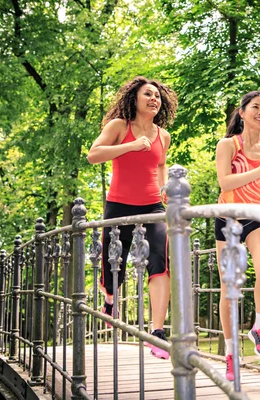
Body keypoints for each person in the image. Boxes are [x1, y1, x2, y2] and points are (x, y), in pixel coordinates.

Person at [87, 76, 177, 360]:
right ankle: (110, 300)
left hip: (152, 207)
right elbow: (94, 155)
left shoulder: (163, 135)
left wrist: (164, 188)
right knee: (115, 267)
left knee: (160, 261)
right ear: (134, 100)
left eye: (158, 96)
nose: (154, 99)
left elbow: (161, 164)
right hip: (119, 206)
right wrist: (131, 146)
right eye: (148, 94)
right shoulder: (118, 126)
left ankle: (158, 333)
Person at [215, 91, 260, 380]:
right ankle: (231, 354)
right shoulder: (227, 145)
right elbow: (225, 181)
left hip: (256, 219)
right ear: (242, 113)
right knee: (228, 287)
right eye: (255, 107)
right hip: (227, 219)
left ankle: (259, 326)